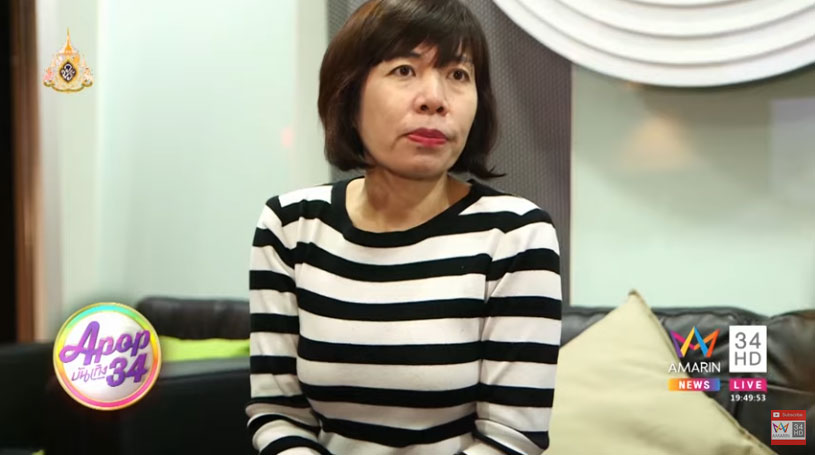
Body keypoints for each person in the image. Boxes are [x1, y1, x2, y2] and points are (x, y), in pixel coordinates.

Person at [245, 0, 562, 454]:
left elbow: (512, 437)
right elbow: (278, 413)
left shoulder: (516, 234)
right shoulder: (291, 226)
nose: (435, 98)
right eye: (404, 70)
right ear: (349, 94)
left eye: (458, 75)